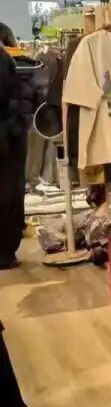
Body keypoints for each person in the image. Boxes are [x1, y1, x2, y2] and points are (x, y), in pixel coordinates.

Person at [0, 22, 40, 269]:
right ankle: (6, 251)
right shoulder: (18, 62)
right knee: (10, 190)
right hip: (10, 135)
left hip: (7, 132)